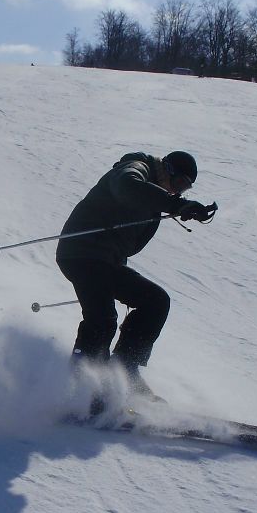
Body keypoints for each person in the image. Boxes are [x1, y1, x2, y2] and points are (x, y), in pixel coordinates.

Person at [56, 151, 216, 412]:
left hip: (106, 262)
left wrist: (174, 205)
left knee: (155, 301)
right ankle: (81, 390)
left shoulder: (154, 204)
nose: (178, 191)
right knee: (102, 319)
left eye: (185, 188)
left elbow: (128, 245)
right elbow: (127, 186)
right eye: (179, 183)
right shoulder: (135, 168)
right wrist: (176, 205)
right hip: (81, 252)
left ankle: (123, 373)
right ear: (167, 169)